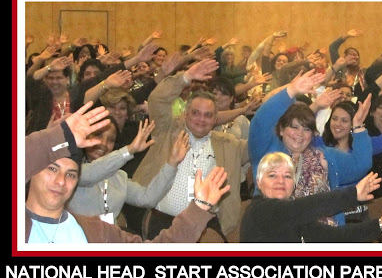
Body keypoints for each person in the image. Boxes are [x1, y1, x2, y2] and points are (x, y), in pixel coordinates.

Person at [25, 102, 230, 244]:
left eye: (71, 174)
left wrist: (198, 206)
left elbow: (148, 199)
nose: (61, 181)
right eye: (52, 169)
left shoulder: (96, 230)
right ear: (33, 167)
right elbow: (87, 175)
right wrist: (52, 140)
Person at [132, 58, 250, 240]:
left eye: (208, 115)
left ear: (216, 119)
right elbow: (157, 100)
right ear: (185, 114)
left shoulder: (229, 145)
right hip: (163, 223)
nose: (201, 120)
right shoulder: (166, 131)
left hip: (206, 227)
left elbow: (258, 145)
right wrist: (185, 77)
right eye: (196, 113)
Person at [247, 69, 373, 226]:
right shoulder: (267, 151)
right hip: (280, 234)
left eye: (306, 129)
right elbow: (260, 122)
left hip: (326, 236)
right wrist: (290, 91)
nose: (300, 134)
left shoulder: (324, 156)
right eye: (294, 127)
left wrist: (359, 126)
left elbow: (360, 165)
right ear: (281, 129)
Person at [239, 153, 382, 242]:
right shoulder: (259, 211)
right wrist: (352, 194)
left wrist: (380, 225)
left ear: (293, 184)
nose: (280, 181)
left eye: (287, 176)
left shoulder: (294, 219)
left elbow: (334, 237)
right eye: (272, 175)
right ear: (259, 182)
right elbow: (305, 208)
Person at [66, 117, 188, 229]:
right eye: (98, 135)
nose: (103, 143)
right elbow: (90, 175)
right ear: (85, 137)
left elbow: (148, 198)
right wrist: (129, 150)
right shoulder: (71, 169)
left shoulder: (119, 176)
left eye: (111, 140)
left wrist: (172, 163)